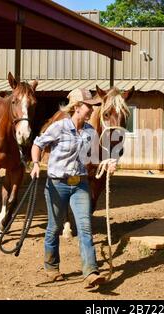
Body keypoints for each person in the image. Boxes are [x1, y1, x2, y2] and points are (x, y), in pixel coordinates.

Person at [30, 88, 117, 289]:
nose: (93, 110)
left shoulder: (90, 132)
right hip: (57, 184)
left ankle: (91, 272)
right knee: (54, 227)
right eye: (89, 106)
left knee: (85, 228)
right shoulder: (58, 128)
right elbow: (37, 144)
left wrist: (108, 164)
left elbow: (94, 160)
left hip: (80, 184)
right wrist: (35, 163)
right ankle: (52, 267)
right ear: (77, 107)